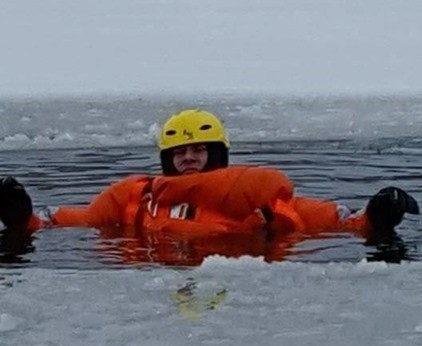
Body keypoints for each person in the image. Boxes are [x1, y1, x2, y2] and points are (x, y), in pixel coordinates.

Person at [0, 109, 419, 264]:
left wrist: (379, 214)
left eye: (199, 150)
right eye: (181, 152)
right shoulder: (135, 198)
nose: (189, 158)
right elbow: (72, 221)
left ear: (217, 155)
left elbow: (334, 221)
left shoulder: (256, 197)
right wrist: (21, 215)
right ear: (167, 158)